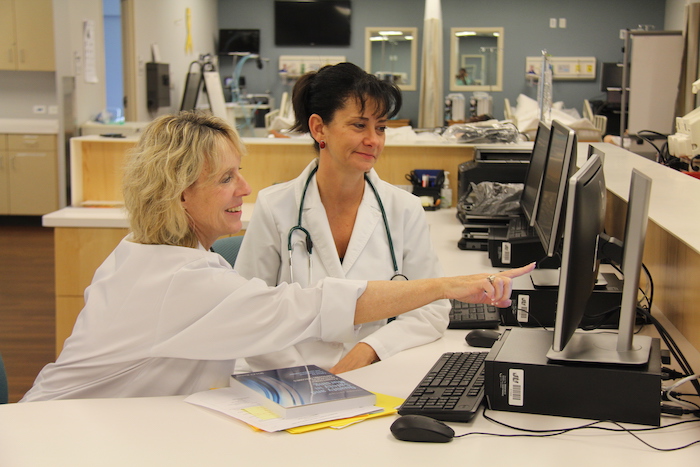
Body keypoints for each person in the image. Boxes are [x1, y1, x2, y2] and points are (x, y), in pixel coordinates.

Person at [21, 112, 533, 402]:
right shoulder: (180, 281)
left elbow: (267, 319)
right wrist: (446, 285)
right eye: (226, 179)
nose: (246, 187)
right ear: (179, 195)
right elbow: (310, 306)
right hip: (58, 438)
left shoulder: (143, 251)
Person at [234, 62, 473, 375]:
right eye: (359, 126)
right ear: (319, 128)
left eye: (381, 127)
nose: (374, 140)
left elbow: (431, 309)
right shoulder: (275, 207)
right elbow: (248, 313)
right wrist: (307, 376)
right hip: (289, 379)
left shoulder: (404, 209)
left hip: (377, 376)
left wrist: (370, 349)